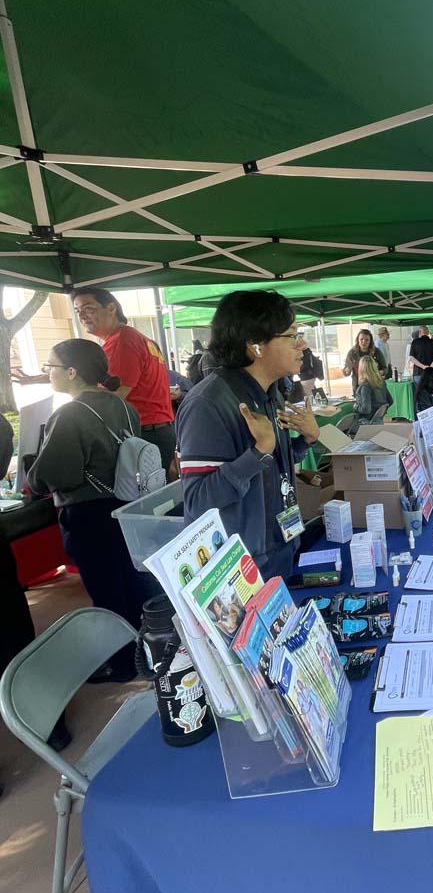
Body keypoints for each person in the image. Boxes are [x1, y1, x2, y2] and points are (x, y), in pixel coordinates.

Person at [26, 338, 159, 678]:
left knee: (106, 590)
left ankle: (122, 663)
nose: (48, 373)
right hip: (128, 505)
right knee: (131, 584)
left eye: (50, 367)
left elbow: (56, 472)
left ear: (71, 372)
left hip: (89, 513)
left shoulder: (70, 414)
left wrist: (33, 476)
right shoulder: (123, 406)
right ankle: (146, 652)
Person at [176, 291, 320, 581]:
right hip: (243, 572)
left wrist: (305, 441)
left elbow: (271, 467)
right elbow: (198, 501)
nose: (303, 345)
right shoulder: (208, 404)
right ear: (256, 345)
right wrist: (258, 453)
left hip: (280, 550)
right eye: (292, 336)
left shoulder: (269, 392)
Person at [72, 288, 177, 471]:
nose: (82, 315)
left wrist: (72, 385)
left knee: (147, 498)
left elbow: (113, 395)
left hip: (141, 434)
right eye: (77, 310)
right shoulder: (139, 338)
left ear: (111, 308)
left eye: (88, 308)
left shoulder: (122, 341)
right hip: (156, 431)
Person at [355, 354, 393, 424]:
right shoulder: (381, 383)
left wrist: (356, 406)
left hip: (365, 423)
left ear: (361, 369)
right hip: (378, 421)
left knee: (343, 427)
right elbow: (390, 401)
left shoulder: (365, 387)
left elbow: (366, 410)